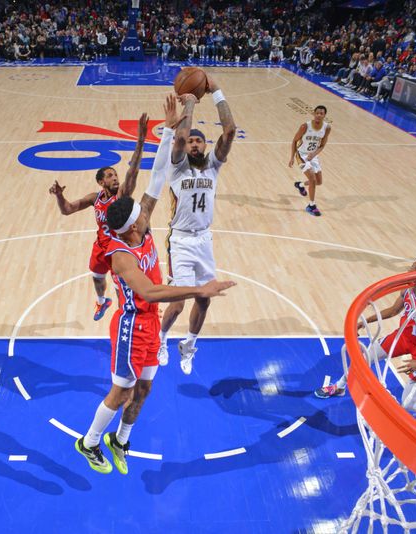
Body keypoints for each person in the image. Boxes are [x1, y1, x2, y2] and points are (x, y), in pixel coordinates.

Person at [75, 95, 236, 475]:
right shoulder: (121, 256)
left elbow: (158, 177)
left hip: (149, 324)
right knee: (122, 391)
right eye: (143, 216)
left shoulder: (137, 220)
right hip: (131, 324)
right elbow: (148, 292)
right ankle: (90, 441)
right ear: (133, 227)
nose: (149, 214)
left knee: (145, 389)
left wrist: (165, 132)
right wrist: (198, 289)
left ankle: (121, 439)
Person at [314, 256, 416, 422]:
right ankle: (340, 386)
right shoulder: (409, 288)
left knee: (407, 403)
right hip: (403, 336)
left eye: (415, 269)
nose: (409, 272)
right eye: (412, 267)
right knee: (363, 358)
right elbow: (393, 311)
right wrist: (364, 322)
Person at [158, 75, 236, 375]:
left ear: (205, 145)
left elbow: (229, 131)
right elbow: (177, 139)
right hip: (180, 241)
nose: (192, 143)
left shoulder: (213, 166)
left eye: (198, 140)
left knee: (204, 300)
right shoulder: (177, 168)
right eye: (190, 140)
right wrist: (189, 101)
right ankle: (162, 340)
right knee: (176, 303)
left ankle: (188, 346)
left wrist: (216, 90)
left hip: (204, 240)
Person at [49, 113, 148, 321]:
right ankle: (102, 302)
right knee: (97, 277)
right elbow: (67, 209)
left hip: (119, 248)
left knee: (123, 285)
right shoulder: (95, 198)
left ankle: (127, 314)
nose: (115, 178)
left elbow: (133, 172)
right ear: (101, 182)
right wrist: (60, 195)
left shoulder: (122, 194)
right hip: (100, 245)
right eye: (110, 176)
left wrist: (140, 140)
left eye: (116, 175)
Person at [289, 105, 331, 216]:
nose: (318, 115)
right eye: (317, 113)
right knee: (312, 179)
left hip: (313, 156)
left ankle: (300, 185)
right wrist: (292, 157)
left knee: (319, 182)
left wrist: (314, 154)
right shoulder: (305, 126)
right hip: (301, 155)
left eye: (321, 113)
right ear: (313, 114)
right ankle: (311, 206)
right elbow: (294, 141)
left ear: (324, 115)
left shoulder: (327, 128)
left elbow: (322, 145)